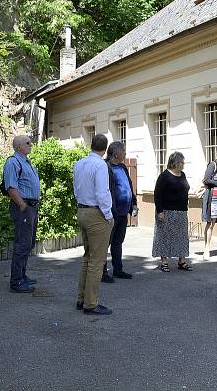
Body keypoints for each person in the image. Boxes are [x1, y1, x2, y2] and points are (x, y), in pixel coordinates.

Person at [73, 134, 114, 316]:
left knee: (88, 257)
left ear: (91, 145)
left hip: (82, 209)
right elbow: (102, 192)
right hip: (96, 213)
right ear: (105, 149)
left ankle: (82, 299)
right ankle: (90, 304)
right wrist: (108, 215)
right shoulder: (100, 165)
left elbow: (76, 188)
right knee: (97, 261)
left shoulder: (79, 163)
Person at [3, 135, 41, 294]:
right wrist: (23, 206)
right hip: (24, 207)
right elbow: (10, 187)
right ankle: (16, 281)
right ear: (18, 146)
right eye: (27, 142)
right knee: (22, 244)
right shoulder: (13, 162)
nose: (30, 144)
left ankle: (22, 276)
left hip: (31, 207)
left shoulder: (26, 162)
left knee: (29, 243)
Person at [102, 141, 137, 283]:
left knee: (118, 242)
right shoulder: (105, 167)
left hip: (123, 212)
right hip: (112, 212)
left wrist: (133, 203)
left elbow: (128, 186)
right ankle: (102, 272)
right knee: (105, 243)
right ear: (116, 153)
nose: (125, 154)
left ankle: (118, 269)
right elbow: (105, 190)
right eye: (124, 152)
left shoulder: (122, 167)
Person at [152, 152, 193, 272]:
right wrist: (160, 211)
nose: (183, 164)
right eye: (182, 162)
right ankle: (164, 261)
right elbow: (157, 194)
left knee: (182, 237)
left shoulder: (182, 175)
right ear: (175, 162)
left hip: (181, 211)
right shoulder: (164, 176)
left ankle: (182, 261)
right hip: (166, 211)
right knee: (164, 237)